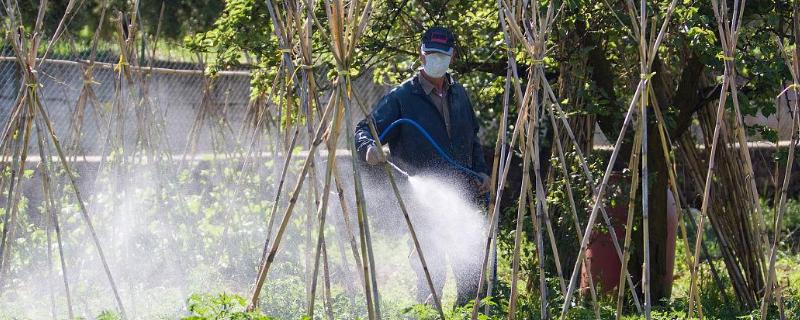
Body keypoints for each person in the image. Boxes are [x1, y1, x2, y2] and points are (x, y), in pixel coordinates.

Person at [353, 26, 490, 307]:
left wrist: (481, 171)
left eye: (443, 55)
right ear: (422, 54)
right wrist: (369, 149)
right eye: (432, 54)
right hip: (423, 206)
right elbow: (364, 129)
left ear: (451, 56)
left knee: (473, 281)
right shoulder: (402, 98)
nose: (437, 59)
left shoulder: (459, 95)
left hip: (464, 196)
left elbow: (473, 137)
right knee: (431, 277)